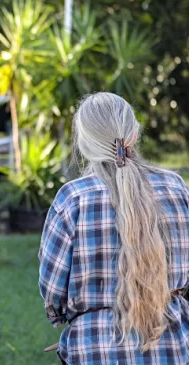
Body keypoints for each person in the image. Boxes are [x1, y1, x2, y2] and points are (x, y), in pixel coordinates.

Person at [39, 92, 189, 364]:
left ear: (85, 142)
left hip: (92, 348)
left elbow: (52, 289)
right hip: (173, 345)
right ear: (134, 134)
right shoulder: (176, 188)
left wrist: (69, 316)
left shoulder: (73, 198)